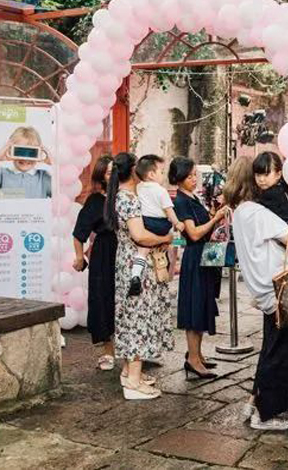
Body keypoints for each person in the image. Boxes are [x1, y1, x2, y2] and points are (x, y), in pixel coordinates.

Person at [225, 156, 288, 431]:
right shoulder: (258, 213)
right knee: (277, 353)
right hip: (277, 289)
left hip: (261, 288)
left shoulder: (239, 212)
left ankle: (254, 402)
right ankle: (264, 413)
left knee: (270, 347)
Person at [106, 153, 174, 400]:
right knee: (138, 318)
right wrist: (165, 238)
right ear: (134, 170)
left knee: (129, 316)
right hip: (138, 266)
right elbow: (140, 235)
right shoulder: (130, 199)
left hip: (126, 261)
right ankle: (133, 383)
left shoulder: (119, 196)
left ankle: (129, 372)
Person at [170, 156, 228, 380]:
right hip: (195, 256)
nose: (194, 179)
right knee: (195, 307)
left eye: (195, 175)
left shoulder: (192, 197)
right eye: (189, 176)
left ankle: (197, 354)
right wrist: (215, 219)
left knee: (204, 304)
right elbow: (193, 233)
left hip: (205, 254)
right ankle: (193, 359)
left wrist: (214, 214)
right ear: (179, 178)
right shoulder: (181, 202)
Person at [72, 156, 118, 371]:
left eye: (115, 171)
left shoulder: (128, 196)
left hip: (129, 253)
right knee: (103, 299)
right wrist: (79, 257)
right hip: (104, 253)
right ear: (101, 177)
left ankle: (134, 351)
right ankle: (108, 351)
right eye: (108, 172)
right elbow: (79, 233)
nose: (113, 176)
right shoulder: (95, 201)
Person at [129, 155, 184, 296]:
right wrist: (177, 223)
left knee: (142, 252)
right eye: (161, 172)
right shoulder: (161, 190)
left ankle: (135, 275)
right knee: (170, 242)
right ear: (151, 174)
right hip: (161, 224)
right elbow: (168, 210)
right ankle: (169, 271)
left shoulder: (138, 188)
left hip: (145, 222)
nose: (163, 175)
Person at [0, 126, 52, 198]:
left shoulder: (43, 177)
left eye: (31, 153)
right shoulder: (2, 174)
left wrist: (54, 163)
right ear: (11, 151)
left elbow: (59, 194)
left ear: (39, 153)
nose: (25, 159)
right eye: (20, 152)